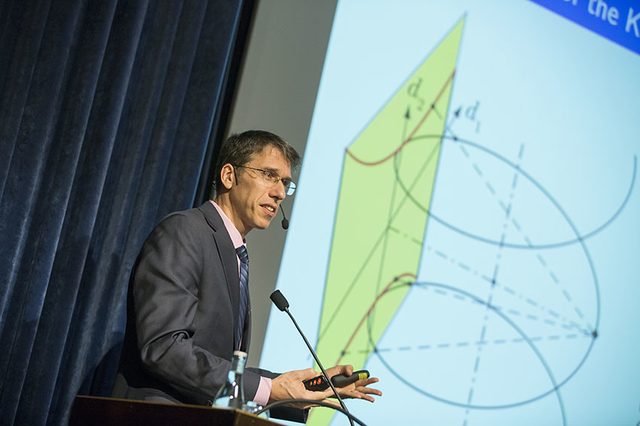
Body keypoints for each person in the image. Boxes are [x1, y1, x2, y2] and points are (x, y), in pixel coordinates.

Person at [112, 130, 380, 422]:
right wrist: (268, 389)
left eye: (286, 183)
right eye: (268, 175)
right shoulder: (185, 232)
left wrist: (293, 390)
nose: (279, 192)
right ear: (229, 176)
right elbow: (164, 347)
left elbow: (218, 366)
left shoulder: (235, 253)